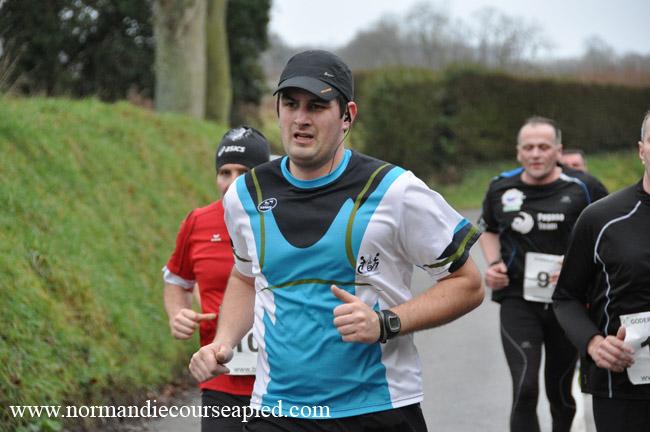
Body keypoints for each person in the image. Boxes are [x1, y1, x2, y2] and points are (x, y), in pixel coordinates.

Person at [188, 50, 483, 432]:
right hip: (278, 410)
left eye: (316, 106)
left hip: (376, 409)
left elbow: (467, 284)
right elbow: (245, 278)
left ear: (347, 116)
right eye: (291, 104)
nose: (301, 118)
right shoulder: (245, 195)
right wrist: (224, 341)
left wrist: (386, 323)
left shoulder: (394, 190)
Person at [478, 116, 608, 432]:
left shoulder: (584, 187)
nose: (536, 154)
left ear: (558, 151)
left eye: (544, 147)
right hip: (518, 301)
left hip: (568, 305)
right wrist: (493, 265)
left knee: (559, 393)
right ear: (518, 152)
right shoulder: (500, 187)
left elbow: (609, 234)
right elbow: (488, 229)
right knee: (524, 388)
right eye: (529, 147)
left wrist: (580, 269)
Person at [163, 126, 270, 432]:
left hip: (282, 382)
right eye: (225, 172)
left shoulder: (286, 220)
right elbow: (176, 279)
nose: (232, 182)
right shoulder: (198, 222)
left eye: (244, 172)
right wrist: (178, 313)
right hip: (222, 379)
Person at [552, 110, 650, 431]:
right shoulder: (601, 218)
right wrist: (593, 343)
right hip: (623, 387)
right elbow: (566, 297)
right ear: (641, 151)